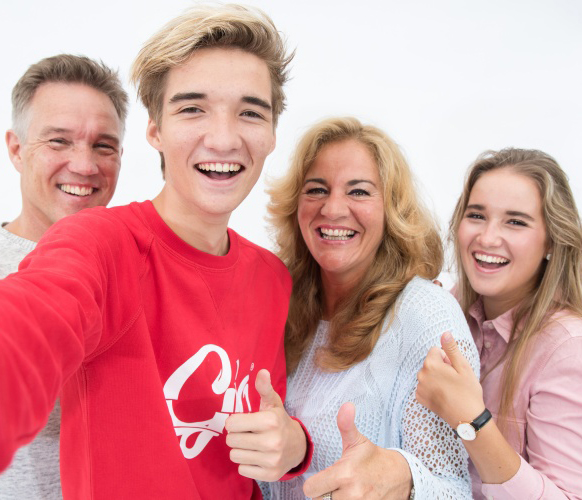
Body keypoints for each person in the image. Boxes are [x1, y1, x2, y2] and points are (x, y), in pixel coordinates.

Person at [0, 5, 311, 499]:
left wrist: (294, 446)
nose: (224, 138)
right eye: (192, 109)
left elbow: (263, 433)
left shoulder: (273, 277)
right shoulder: (98, 243)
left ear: (272, 134)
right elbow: (27, 327)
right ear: (155, 131)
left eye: (251, 112)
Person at [263, 116, 479, 499]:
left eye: (359, 192)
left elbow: (454, 490)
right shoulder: (277, 304)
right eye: (316, 189)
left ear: (391, 209)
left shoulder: (426, 317)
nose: (333, 208)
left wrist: (404, 478)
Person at [416, 148, 582, 499]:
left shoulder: (569, 349)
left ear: (552, 240)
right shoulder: (447, 311)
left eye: (516, 222)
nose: (488, 238)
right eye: (477, 215)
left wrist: (472, 420)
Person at [0, 53, 128, 500]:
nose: (85, 165)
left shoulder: (142, 266)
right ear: (17, 149)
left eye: (103, 146)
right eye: (59, 141)